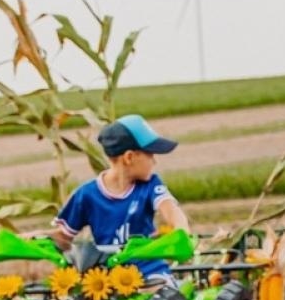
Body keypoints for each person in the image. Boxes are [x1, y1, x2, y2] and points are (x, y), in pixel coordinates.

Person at [51, 114, 190, 280]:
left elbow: (171, 211)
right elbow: (63, 236)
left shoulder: (151, 185)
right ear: (129, 157)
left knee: (164, 293)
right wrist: (35, 239)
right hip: (107, 278)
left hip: (150, 273)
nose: (154, 162)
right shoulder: (86, 195)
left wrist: (182, 230)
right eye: (150, 155)